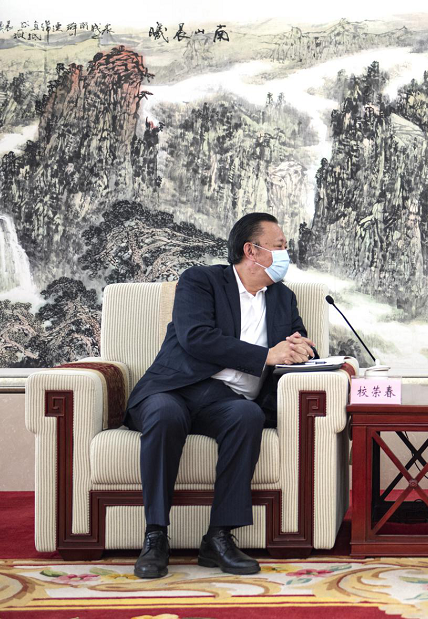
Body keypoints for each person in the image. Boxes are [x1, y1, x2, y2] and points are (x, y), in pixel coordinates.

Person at [124, 213, 317, 579]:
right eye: (279, 246)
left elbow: (297, 344)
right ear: (252, 251)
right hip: (176, 387)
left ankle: (218, 537)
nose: (286, 254)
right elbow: (196, 337)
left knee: (248, 416)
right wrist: (266, 355)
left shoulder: (283, 298)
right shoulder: (201, 281)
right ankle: (155, 535)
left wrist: (302, 351)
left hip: (225, 401)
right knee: (164, 415)